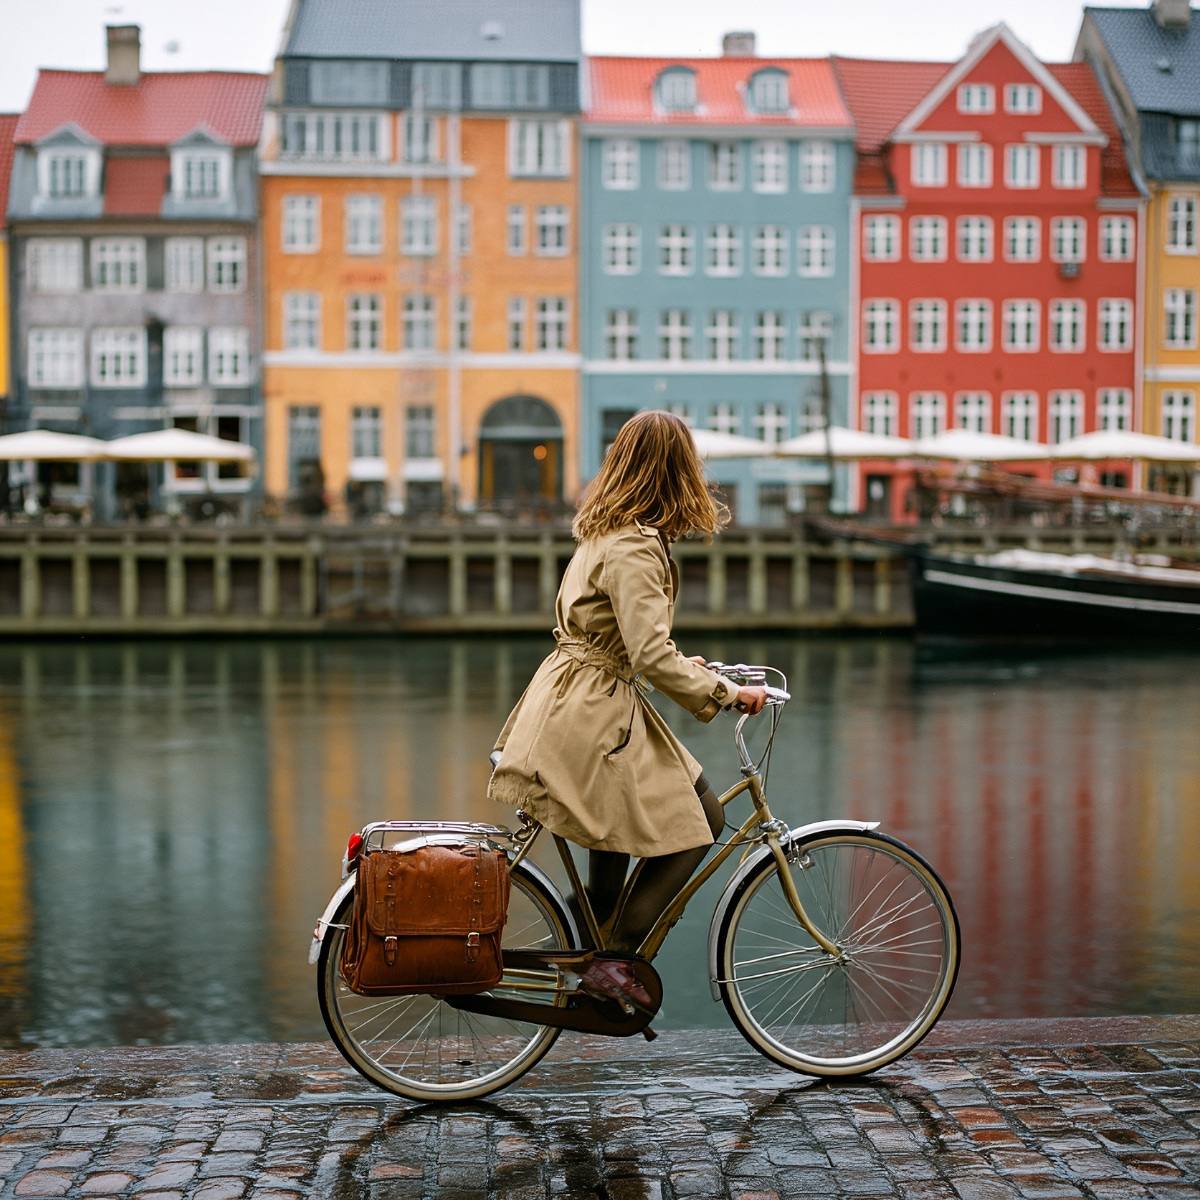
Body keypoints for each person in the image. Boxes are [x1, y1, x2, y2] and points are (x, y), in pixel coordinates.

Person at [489, 411, 768, 1009]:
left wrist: (685, 666)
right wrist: (726, 693)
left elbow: (624, 640)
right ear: (674, 471)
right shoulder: (637, 544)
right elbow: (647, 651)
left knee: (617, 826)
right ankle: (614, 960)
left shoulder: (603, 532)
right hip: (592, 711)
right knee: (706, 823)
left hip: (576, 697)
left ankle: (591, 932)